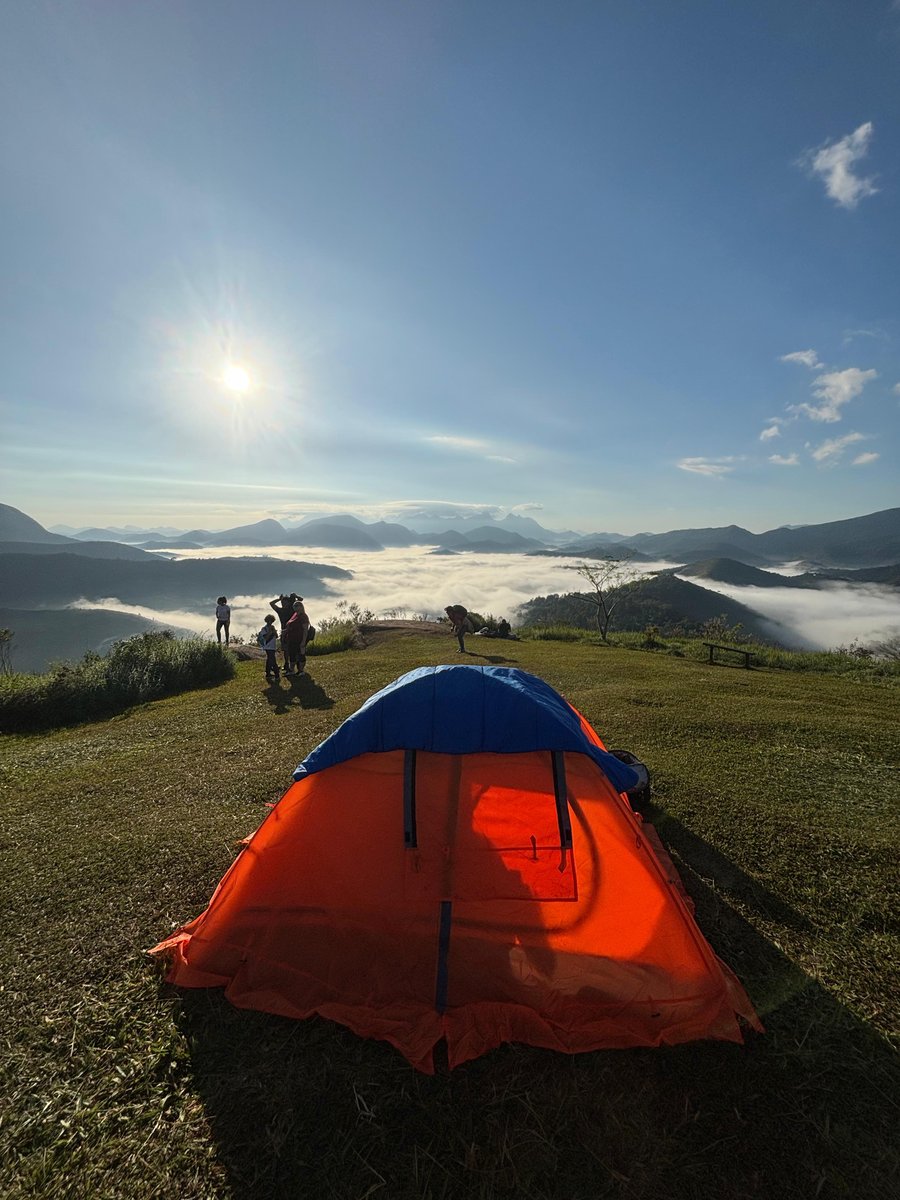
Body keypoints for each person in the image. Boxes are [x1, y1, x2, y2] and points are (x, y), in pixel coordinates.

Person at [282, 598, 311, 675]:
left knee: (301, 654)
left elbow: (305, 630)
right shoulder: (294, 614)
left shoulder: (303, 616)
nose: (295, 607)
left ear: (301, 606)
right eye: (294, 606)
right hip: (291, 639)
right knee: (292, 655)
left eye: (297, 605)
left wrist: (303, 641)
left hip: (299, 638)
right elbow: (290, 625)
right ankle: (292, 670)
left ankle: (301, 671)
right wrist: (286, 631)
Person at [257, 613, 280, 682]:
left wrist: (274, 631)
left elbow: (276, 636)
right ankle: (277, 674)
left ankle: (268, 673)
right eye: (269, 620)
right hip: (268, 646)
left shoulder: (273, 627)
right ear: (266, 621)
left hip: (273, 646)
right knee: (273, 660)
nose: (270, 622)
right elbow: (265, 638)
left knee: (269, 660)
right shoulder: (264, 629)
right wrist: (270, 631)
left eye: (271, 621)